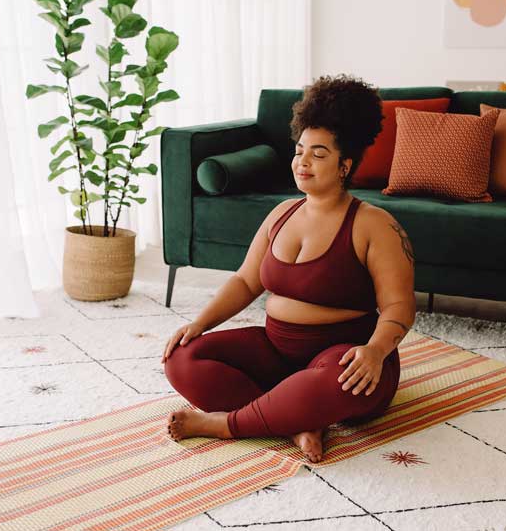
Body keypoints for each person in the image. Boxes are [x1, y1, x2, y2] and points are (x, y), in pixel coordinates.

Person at [161, 73, 416, 463]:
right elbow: (246, 281)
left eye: (319, 154)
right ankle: (295, 422)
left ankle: (226, 424)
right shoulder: (281, 214)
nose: (303, 162)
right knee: (182, 358)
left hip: (344, 358)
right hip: (276, 352)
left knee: (335, 383)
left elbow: (399, 306)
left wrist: (375, 352)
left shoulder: (375, 225)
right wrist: (200, 324)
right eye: (299, 151)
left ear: (345, 165)